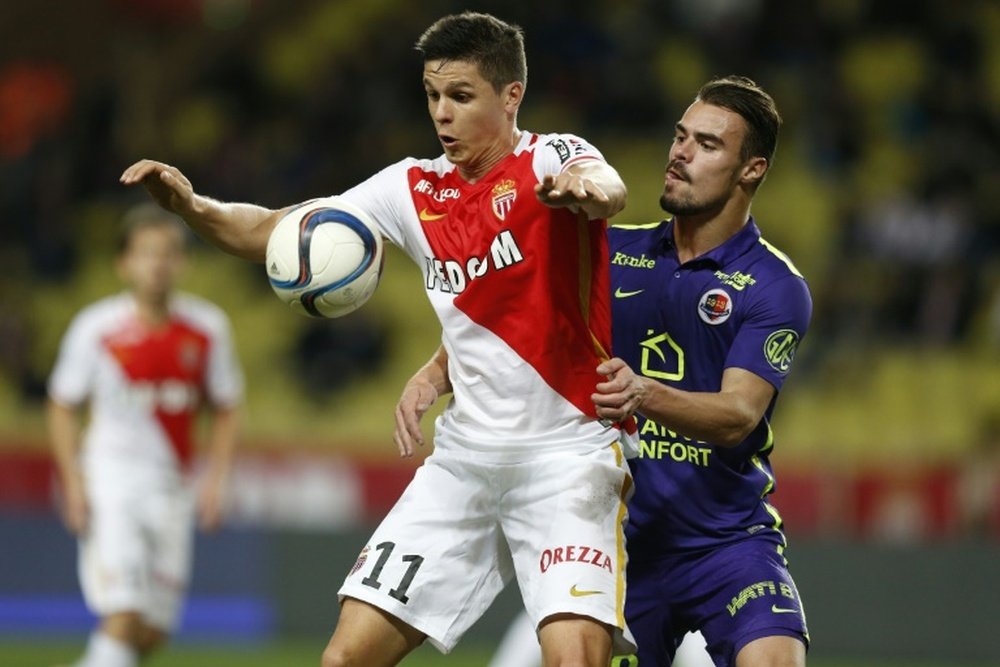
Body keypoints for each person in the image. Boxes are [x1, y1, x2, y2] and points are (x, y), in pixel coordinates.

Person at [121, 11, 635, 667]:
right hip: (465, 461)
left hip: (566, 457)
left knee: (576, 660)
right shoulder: (411, 187)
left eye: (461, 95)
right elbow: (278, 228)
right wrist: (195, 208)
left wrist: (582, 190)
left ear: (511, 96)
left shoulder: (552, 158)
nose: (442, 114)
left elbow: (610, 189)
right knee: (343, 658)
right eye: (432, 96)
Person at [399, 76, 812, 667]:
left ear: (752, 170)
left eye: (708, 144)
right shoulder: (611, 254)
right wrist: (432, 374)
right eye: (679, 136)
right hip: (613, 543)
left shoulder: (774, 285)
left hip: (727, 543)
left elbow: (738, 417)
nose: (681, 152)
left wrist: (642, 393)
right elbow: (506, 317)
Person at [47, 203, 244, 667]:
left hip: (172, 488)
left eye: (167, 253)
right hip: (111, 481)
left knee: (152, 630)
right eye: (146, 253)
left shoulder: (208, 328)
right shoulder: (97, 329)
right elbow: (61, 405)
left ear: (184, 262)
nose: (157, 264)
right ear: (124, 264)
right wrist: (74, 482)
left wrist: (215, 481)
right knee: (125, 610)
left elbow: (227, 407)